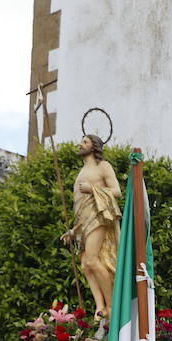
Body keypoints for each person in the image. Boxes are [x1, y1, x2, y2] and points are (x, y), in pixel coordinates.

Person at [60, 133, 121, 322]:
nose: (80, 144)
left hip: (98, 217)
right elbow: (80, 206)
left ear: (94, 146)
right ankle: (100, 306)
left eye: (85, 142)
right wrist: (74, 231)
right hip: (84, 222)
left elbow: (117, 191)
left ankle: (111, 305)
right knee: (86, 265)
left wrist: (92, 189)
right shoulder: (82, 171)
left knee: (93, 260)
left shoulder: (103, 166)